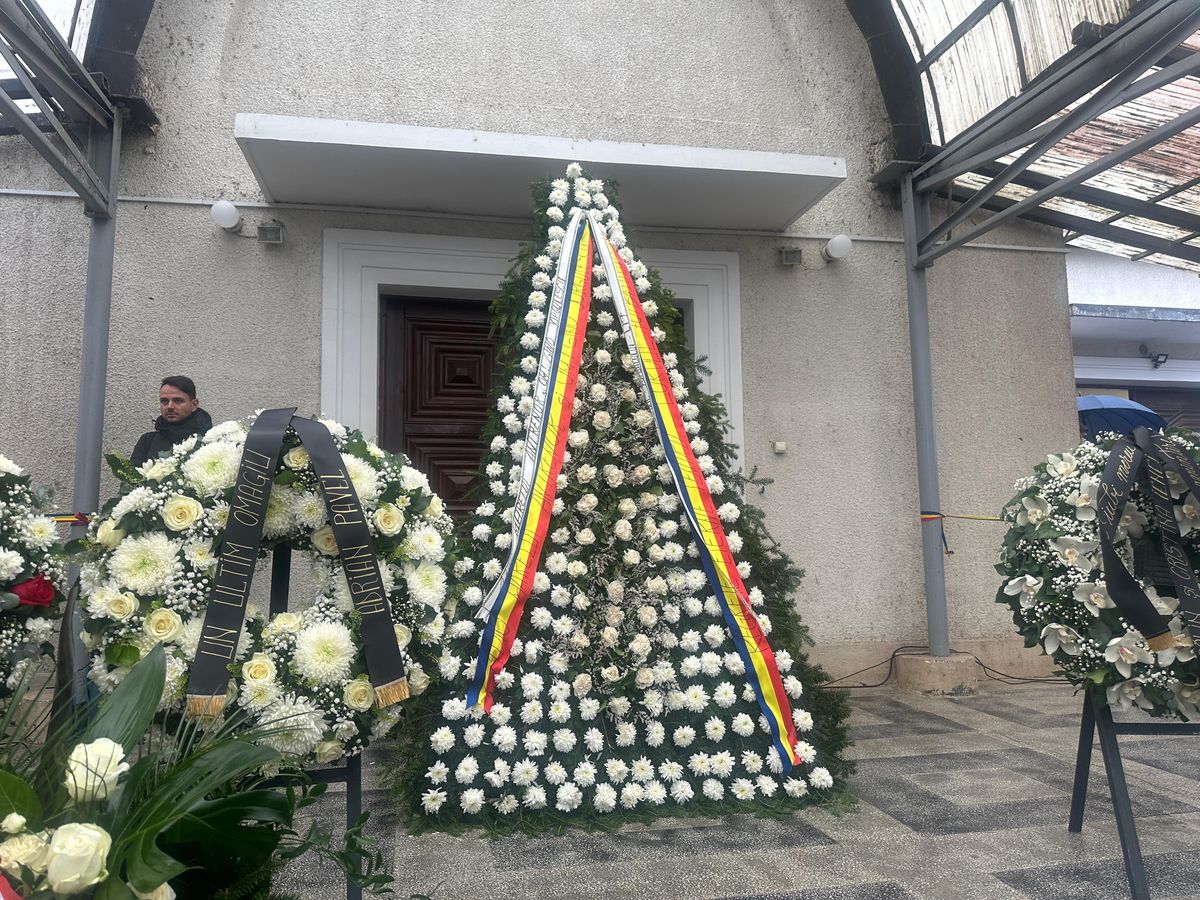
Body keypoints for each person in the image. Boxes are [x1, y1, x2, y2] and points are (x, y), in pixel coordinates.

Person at [130, 376, 213, 467]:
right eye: (164, 401)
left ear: (194, 405)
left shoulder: (210, 439)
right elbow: (131, 475)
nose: (169, 406)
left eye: (178, 400)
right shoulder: (147, 441)